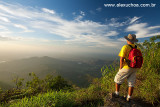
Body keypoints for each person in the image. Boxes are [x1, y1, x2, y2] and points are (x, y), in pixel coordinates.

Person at [113, 34, 141, 102]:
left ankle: (117, 93)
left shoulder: (125, 47)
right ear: (134, 41)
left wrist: (120, 68)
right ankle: (129, 97)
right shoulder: (138, 48)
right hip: (135, 67)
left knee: (117, 79)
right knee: (131, 83)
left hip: (127, 67)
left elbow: (121, 59)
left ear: (128, 40)